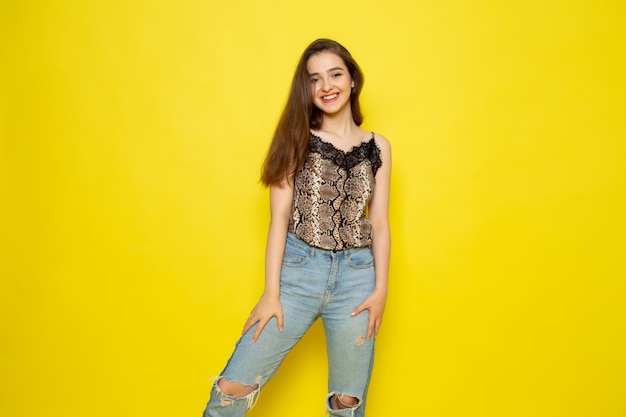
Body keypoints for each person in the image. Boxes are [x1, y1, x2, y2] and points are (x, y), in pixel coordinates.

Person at [202, 38, 391, 417]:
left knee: (347, 403)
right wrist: (272, 293)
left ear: (352, 79)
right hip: (298, 273)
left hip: (357, 280)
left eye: (335, 74)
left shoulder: (379, 146)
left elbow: (381, 223)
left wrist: (381, 290)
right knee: (232, 388)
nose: (327, 86)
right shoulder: (297, 138)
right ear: (306, 88)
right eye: (315, 79)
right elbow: (279, 220)